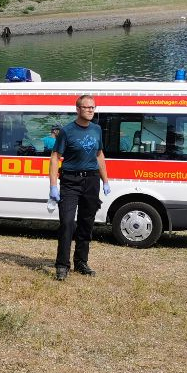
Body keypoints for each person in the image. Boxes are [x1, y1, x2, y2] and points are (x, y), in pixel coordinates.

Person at [48, 95, 110, 281]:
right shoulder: (67, 131)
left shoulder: (97, 129)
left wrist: (105, 180)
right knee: (67, 223)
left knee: (86, 223)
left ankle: (81, 262)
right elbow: (54, 158)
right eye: (87, 107)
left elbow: (99, 155)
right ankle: (62, 265)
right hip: (70, 181)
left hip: (91, 181)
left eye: (93, 107)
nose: (91, 110)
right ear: (78, 109)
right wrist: (53, 186)